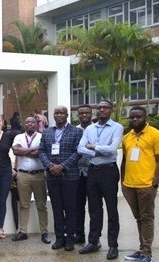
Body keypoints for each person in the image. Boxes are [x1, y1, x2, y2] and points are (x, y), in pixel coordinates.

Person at [77, 100, 124, 260]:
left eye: (105, 108)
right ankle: (93, 242)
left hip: (108, 172)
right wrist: (100, 150)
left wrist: (93, 147)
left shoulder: (117, 128)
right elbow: (80, 148)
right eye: (100, 107)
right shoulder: (90, 128)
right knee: (94, 209)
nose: (102, 110)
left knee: (112, 209)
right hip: (92, 172)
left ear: (111, 110)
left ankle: (113, 246)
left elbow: (112, 150)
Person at [121, 106, 159, 262]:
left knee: (146, 218)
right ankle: (142, 250)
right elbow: (124, 160)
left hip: (146, 186)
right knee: (139, 218)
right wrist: (123, 182)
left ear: (145, 117)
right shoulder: (127, 137)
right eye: (132, 117)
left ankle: (147, 253)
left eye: (138, 117)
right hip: (129, 185)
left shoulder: (156, 135)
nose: (135, 119)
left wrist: (154, 184)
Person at [39, 106, 84, 251]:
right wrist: (50, 166)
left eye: (61, 113)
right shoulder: (46, 132)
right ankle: (59, 238)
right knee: (57, 208)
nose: (59, 115)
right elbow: (41, 150)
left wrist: (63, 166)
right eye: (56, 113)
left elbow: (78, 152)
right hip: (52, 176)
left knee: (71, 209)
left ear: (67, 115)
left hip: (70, 176)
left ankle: (70, 239)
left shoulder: (76, 132)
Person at [12, 116, 49, 244]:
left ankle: (44, 233)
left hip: (39, 175)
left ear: (36, 124)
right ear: (24, 124)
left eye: (32, 122)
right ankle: (23, 232)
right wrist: (33, 149)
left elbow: (42, 152)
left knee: (41, 205)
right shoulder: (19, 137)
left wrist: (24, 151)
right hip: (23, 175)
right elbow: (16, 150)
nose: (29, 124)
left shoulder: (42, 136)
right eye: (27, 122)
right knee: (24, 205)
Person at [0, 113, 17, 240]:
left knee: (2, 200)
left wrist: (15, 168)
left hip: (6, 171)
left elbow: (17, 152)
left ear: (3, 122)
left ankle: (0, 227)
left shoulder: (8, 136)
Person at [74, 104, 93, 245]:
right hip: (77, 173)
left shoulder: (96, 130)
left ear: (91, 114)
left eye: (86, 113)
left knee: (94, 207)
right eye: (81, 113)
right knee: (78, 206)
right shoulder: (74, 131)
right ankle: (79, 234)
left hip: (93, 173)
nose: (84, 115)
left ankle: (94, 239)